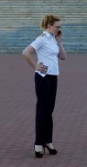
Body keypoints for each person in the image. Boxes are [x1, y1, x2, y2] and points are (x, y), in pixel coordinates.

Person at [22, 14, 65, 158]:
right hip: (43, 77)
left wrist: (59, 42)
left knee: (49, 109)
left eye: (60, 27)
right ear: (49, 26)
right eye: (57, 27)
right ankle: (38, 143)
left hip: (53, 77)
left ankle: (48, 140)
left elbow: (63, 57)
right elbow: (26, 52)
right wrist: (36, 66)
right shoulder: (41, 39)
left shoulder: (54, 39)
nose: (59, 29)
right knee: (42, 109)